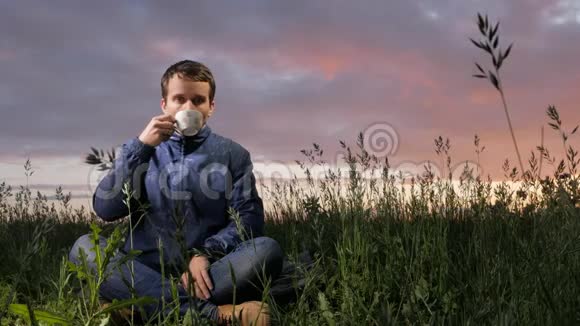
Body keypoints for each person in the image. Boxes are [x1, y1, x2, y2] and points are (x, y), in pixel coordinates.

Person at [69, 60, 284, 325]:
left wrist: (206, 253)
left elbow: (249, 220)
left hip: (207, 275)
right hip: (142, 268)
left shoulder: (233, 154)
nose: (188, 108)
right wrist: (141, 149)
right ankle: (213, 315)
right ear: (164, 105)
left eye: (198, 100)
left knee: (267, 250)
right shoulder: (137, 150)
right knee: (84, 247)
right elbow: (106, 209)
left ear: (211, 107)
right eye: (179, 99)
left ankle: (138, 306)